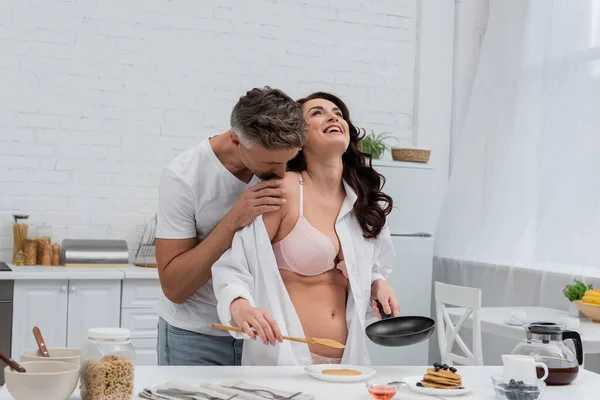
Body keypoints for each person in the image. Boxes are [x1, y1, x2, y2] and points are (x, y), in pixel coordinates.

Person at [212, 91, 399, 366]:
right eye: (317, 112)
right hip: (288, 361)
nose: (333, 116)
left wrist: (378, 284)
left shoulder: (361, 202)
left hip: (348, 362)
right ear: (298, 138)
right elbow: (233, 266)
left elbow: (373, 266)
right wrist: (240, 305)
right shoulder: (284, 191)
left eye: (337, 112)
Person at [154, 86, 307, 366]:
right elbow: (174, 287)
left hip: (263, 337)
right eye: (273, 163)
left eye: (288, 160)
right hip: (197, 337)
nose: (282, 173)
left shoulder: (281, 166)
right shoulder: (184, 176)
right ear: (237, 140)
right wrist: (233, 220)